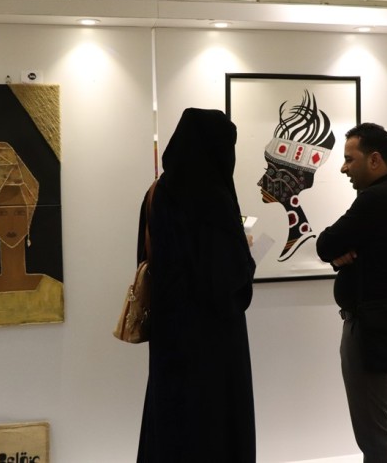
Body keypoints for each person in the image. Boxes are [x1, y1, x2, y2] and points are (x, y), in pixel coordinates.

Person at [136, 108, 257, 463]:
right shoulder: (215, 200)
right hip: (215, 342)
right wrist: (246, 253)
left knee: (173, 423)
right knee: (216, 427)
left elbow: (146, 259)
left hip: (170, 335)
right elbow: (228, 284)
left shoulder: (157, 193)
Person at [316, 123, 387, 463]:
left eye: (350, 159)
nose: (343, 168)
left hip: (370, 327)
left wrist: (337, 254)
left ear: (374, 159)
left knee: (374, 435)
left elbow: (325, 244)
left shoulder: (376, 199)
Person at [0, 141, 64, 327]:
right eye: (2, 213)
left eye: (19, 212)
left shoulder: (54, 291)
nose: (11, 223)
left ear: (29, 214)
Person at [257, 90, 335, 261]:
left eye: (270, 171)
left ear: (292, 181)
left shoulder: (302, 241)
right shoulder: (275, 232)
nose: (260, 182)